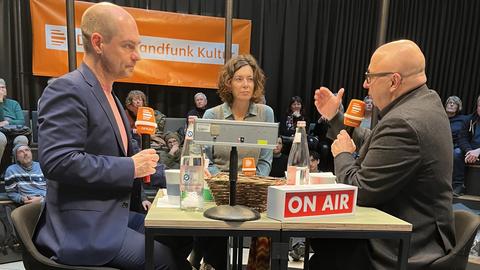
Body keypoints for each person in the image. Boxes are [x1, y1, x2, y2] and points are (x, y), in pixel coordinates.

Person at [34, 3, 191, 270]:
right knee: (168, 263)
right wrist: (130, 166)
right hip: (83, 229)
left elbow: (136, 161)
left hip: (113, 218)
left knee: (183, 236)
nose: (137, 56)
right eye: (128, 46)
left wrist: (187, 176)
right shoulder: (66, 89)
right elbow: (58, 161)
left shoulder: (111, 97)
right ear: (98, 42)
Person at [311, 39, 455, 269]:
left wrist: (342, 156)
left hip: (405, 246)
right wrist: (336, 118)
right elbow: (379, 144)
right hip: (421, 233)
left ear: (394, 81)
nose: (365, 85)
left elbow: (360, 190)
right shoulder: (426, 102)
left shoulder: (404, 122)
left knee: (322, 247)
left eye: (370, 76)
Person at [200, 54, 274, 270]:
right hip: (218, 192)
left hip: (254, 190)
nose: (245, 85)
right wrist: (222, 180)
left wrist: (250, 182)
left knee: (265, 234)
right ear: (228, 83)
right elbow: (205, 158)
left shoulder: (265, 113)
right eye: (239, 79)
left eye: (250, 79)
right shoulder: (211, 115)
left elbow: (266, 160)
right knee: (215, 239)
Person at [0, 78, 29, 163]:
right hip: (1, 133)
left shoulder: (14, 104)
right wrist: (0, 102)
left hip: (14, 132)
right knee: (0, 138)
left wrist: (7, 122)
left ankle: (19, 171)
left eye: (3, 87)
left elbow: (21, 121)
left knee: (22, 139)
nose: (2, 90)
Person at [445, 96, 469, 196]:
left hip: (456, 146)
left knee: (457, 153)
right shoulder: (439, 116)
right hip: (441, 145)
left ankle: (458, 185)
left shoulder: (464, 119)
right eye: (449, 102)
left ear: (458, 107)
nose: (451, 104)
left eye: (454, 103)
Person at [459, 95, 480, 166]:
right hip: (470, 150)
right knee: (456, 153)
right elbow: (462, 138)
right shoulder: (469, 119)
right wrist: (469, 151)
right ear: (477, 107)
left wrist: (478, 151)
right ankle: (457, 177)